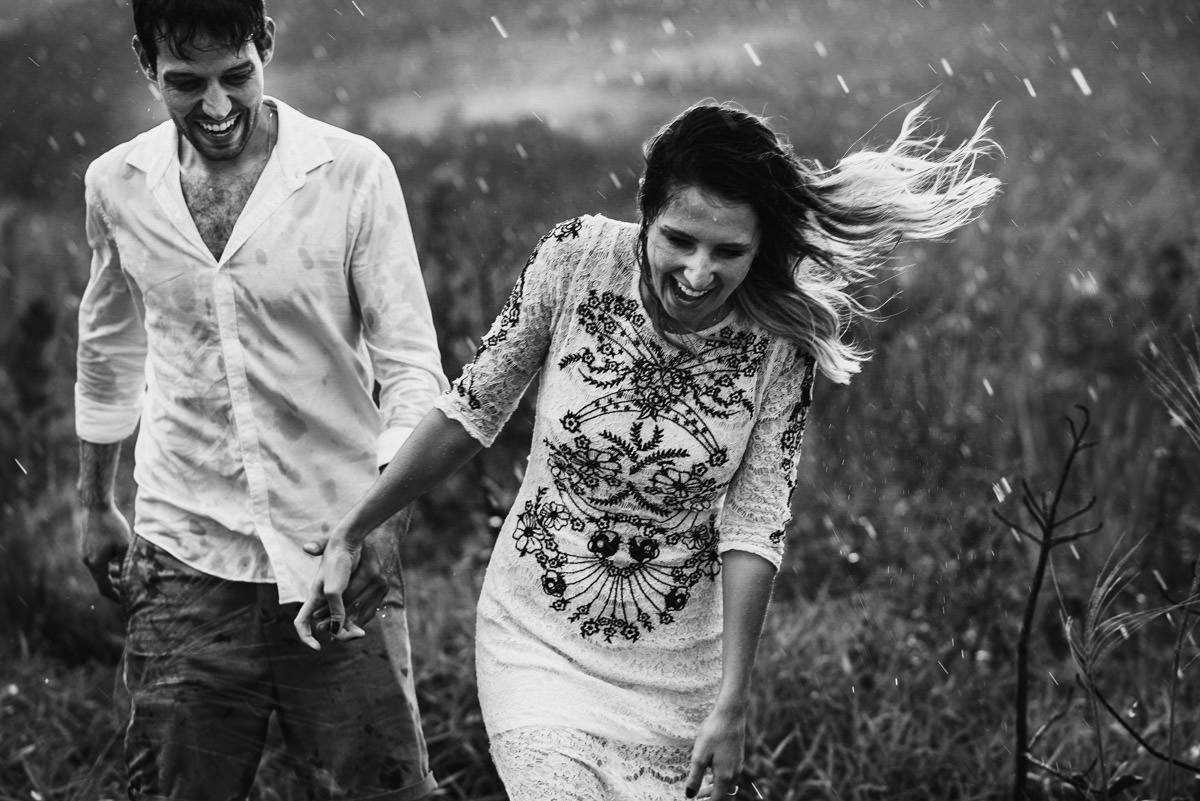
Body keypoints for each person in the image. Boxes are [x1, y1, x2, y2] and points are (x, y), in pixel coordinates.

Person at [295, 99, 1000, 800]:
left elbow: (756, 522)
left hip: (681, 677)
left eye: (729, 252)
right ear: (646, 212)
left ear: (759, 247)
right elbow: (471, 409)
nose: (698, 273)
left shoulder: (779, 342)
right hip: (538, 645)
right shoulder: (576, 257)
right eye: (680, 240)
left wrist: (733, 700)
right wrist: (357, 526)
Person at [74, 0, 446, 797]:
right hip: (182, 552)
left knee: (382, 788)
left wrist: (383, 521)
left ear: (266, 43)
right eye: (186, 83)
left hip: (338, 545)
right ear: (145, 63)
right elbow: (108, 347)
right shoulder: (116, 184)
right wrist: (94, 502)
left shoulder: (351, 172)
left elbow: (412, 366)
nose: (216, 106)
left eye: (236, 75)